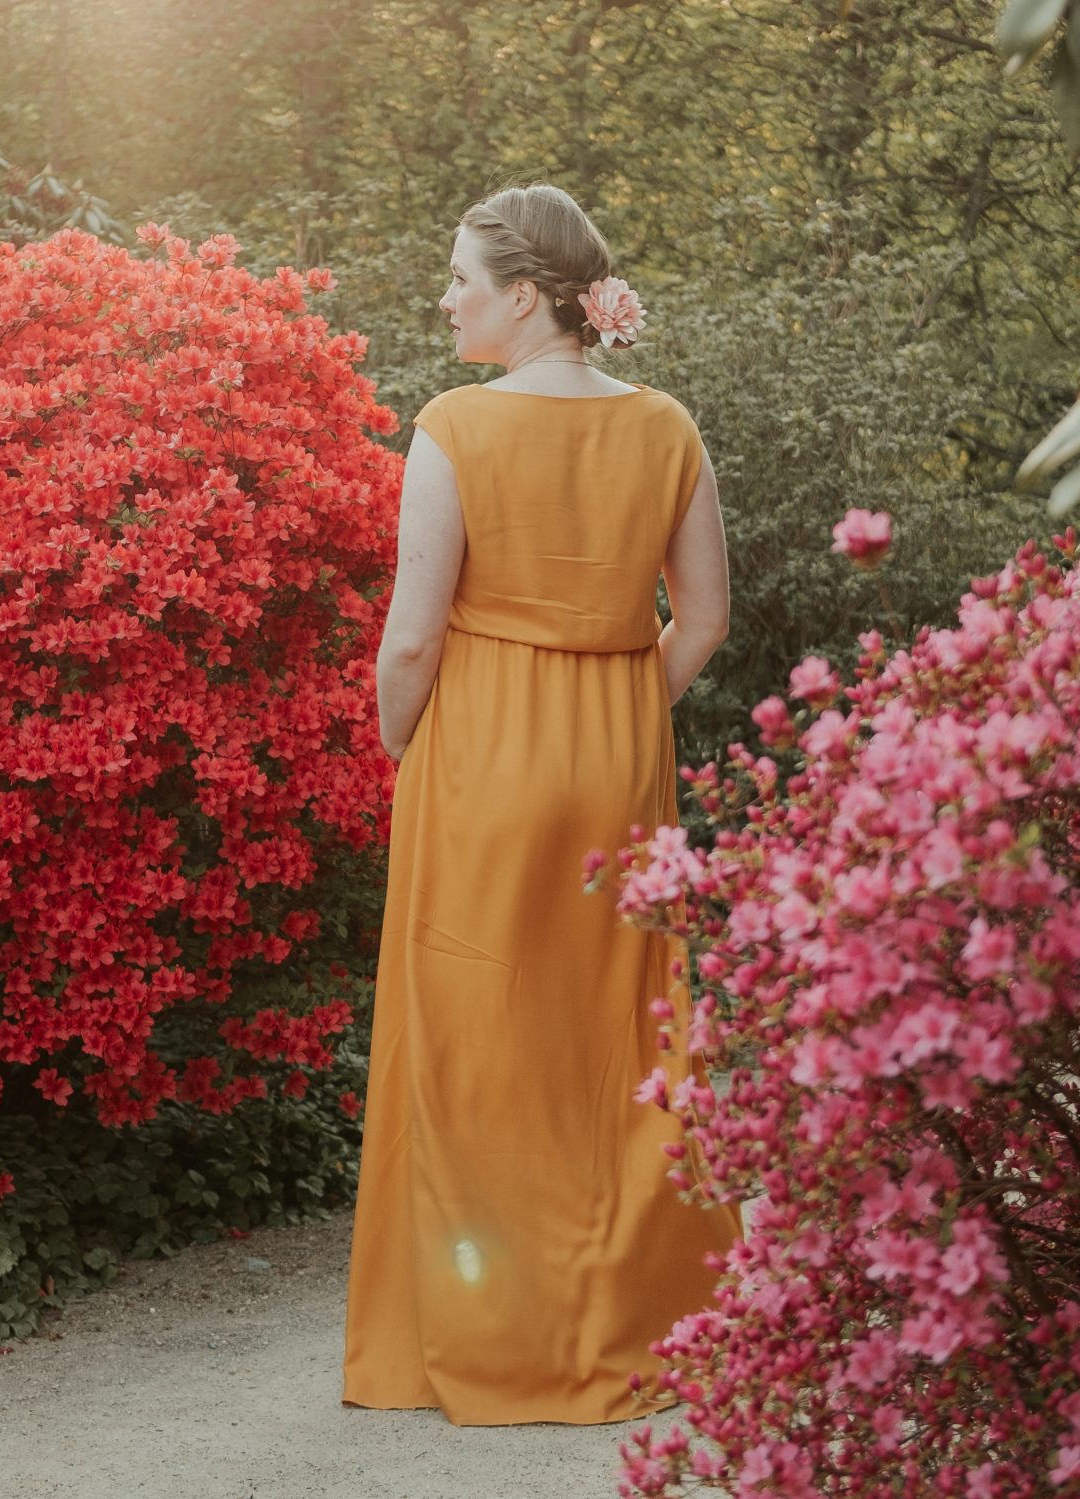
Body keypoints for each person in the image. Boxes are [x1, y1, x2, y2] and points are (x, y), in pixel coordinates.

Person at [340, 184, 742, 1425]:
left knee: (476, 1035)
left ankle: (490, 1333)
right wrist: (620, 710)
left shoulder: (455, 424)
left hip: (481, 757)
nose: (445, 297)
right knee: (620, 1035)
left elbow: (410, 645)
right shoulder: (667, 424)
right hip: (618, 759)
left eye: (460, 277)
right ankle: (637, 1324)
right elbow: (708, 619)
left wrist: (409, 741)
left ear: (525, 294)